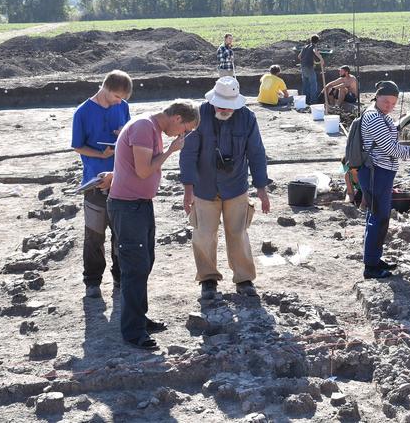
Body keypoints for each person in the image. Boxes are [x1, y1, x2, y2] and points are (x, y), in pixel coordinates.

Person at [107, 100, 200, 350]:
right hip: (128, 207)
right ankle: (133, 332)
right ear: (177, 118)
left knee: (144, 262)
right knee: (134, 268)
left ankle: (139, 318)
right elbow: (144, 171)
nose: (183, 135)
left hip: (139, 205)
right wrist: (171, 151)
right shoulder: (143, 128)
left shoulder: (151, 129)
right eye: (185, 129)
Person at [179, 76, 271, 300]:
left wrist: (261, 188)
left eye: (229, 106)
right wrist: (188, 189)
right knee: (203, 235)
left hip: (236, 187)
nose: (224, 109)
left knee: (238, 234)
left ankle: (244, 279)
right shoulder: (199, 116)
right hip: (204, 188)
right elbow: (188, 153)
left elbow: (256, 153)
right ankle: (208, 279)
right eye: (220, 104)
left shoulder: (247, 118)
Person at [71, 70, 132, 299]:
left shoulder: (122, 107)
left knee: (121, 234)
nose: (119, 102)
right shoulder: (83, 112)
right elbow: (77, 146)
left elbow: (130, 136)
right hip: (94, 183)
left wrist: (122, 138)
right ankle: (92, 282)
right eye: (116, 96)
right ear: (105, 88)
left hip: (121, 180)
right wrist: (100, 154)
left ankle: (120, 278)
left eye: (122, 98)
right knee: (94, 235)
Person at [358, 81, 410, 279]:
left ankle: (374, 259)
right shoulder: (374, 118)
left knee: (376, 216)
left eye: (393, 103)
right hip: (377, 172)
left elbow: (388, 133)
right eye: (386, 101)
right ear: (376, 97)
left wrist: (405, 120)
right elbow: (390, 148)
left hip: (380, 172)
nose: (389, 106)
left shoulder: (378, 115)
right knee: (379, 217)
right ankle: (371, 267)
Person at [297, 34, 324, 105]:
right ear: (317, 41)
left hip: (303, 67)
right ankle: (313, 101)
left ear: (311, 40)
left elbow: (299, 56)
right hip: (309, 67)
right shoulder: (313, 46)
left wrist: (310, 60)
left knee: (305, 84)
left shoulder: (305, 47)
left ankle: (305, 101)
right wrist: (321, 59)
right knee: (313, 85)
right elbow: (315, 51)